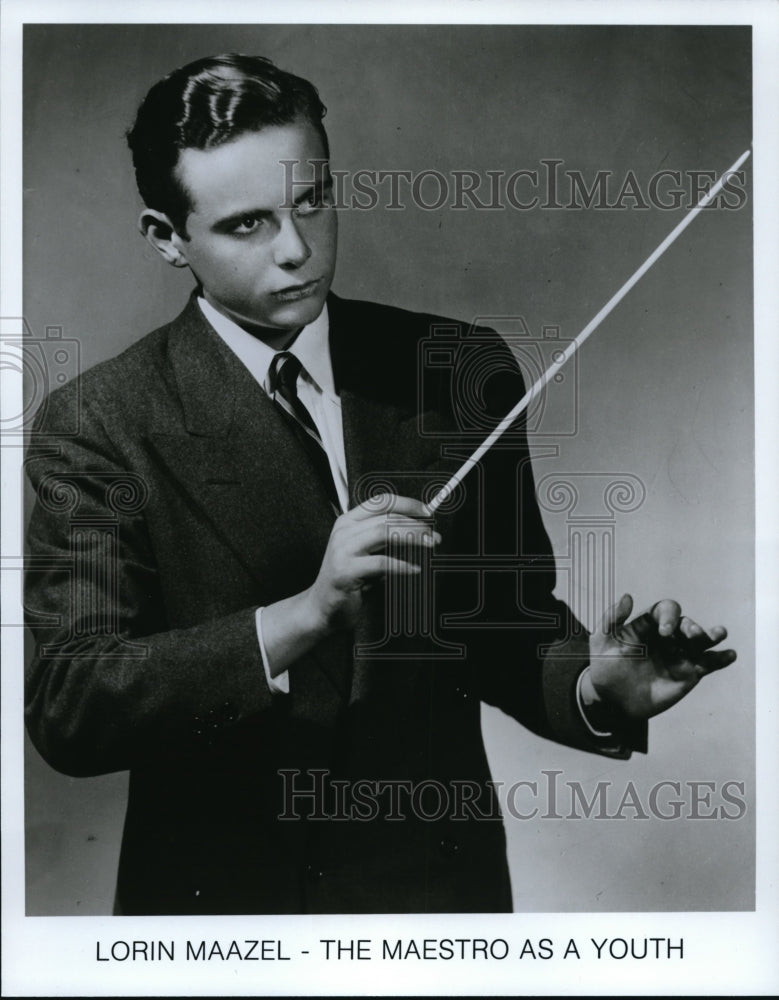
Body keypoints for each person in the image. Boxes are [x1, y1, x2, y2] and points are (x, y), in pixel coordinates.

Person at [23, 53, 737, 915]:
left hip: (437, 904)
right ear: (166, 238)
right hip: (226, 921)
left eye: (311, 202)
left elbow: (504, 628)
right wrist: (303, 616)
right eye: (246, 225)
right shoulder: (99, 419)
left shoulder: (455, 369)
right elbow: (72, 703)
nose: (295, 250)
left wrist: (596, 685)